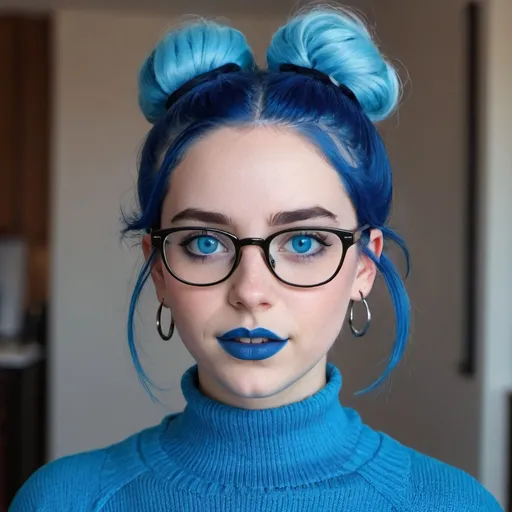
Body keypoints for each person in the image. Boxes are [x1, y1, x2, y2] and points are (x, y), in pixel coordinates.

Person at [10, 5, 502, 512]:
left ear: (363, 266)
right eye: (205, 242)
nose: (250, 291)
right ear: (158, 267)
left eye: (304, 242)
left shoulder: (455, 504)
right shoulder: (61, 500)